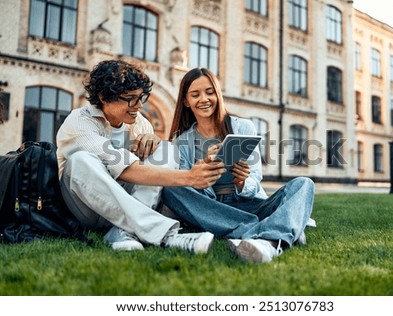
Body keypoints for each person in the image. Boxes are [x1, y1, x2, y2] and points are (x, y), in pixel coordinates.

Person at [57, 60, 226, 253]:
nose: (138, 106)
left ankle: (123, 232)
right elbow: (127, 171)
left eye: (141, 97)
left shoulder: (140, 123)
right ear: (104, 97)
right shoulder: (78, 122)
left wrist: (153, 140)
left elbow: (148, 171)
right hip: (86, 207)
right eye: (130, 98)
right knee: (81, 161)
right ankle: (166, 235)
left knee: (167, 149)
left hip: (127, 206)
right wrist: (190, 177)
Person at [162, 68, 315, 263]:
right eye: (195, 94)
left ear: (218, 94)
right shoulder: (182, 140)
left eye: (210, 92)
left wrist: (242, 181)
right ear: (186, 101)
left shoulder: (243, 127)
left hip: (249, 205)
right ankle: (276, 229)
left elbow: (255, 176)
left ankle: (268, 239)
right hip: (213, 209)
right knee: (169, 188)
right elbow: (186, 183)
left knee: (304, 184)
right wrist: (202, 172)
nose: (204, 99)